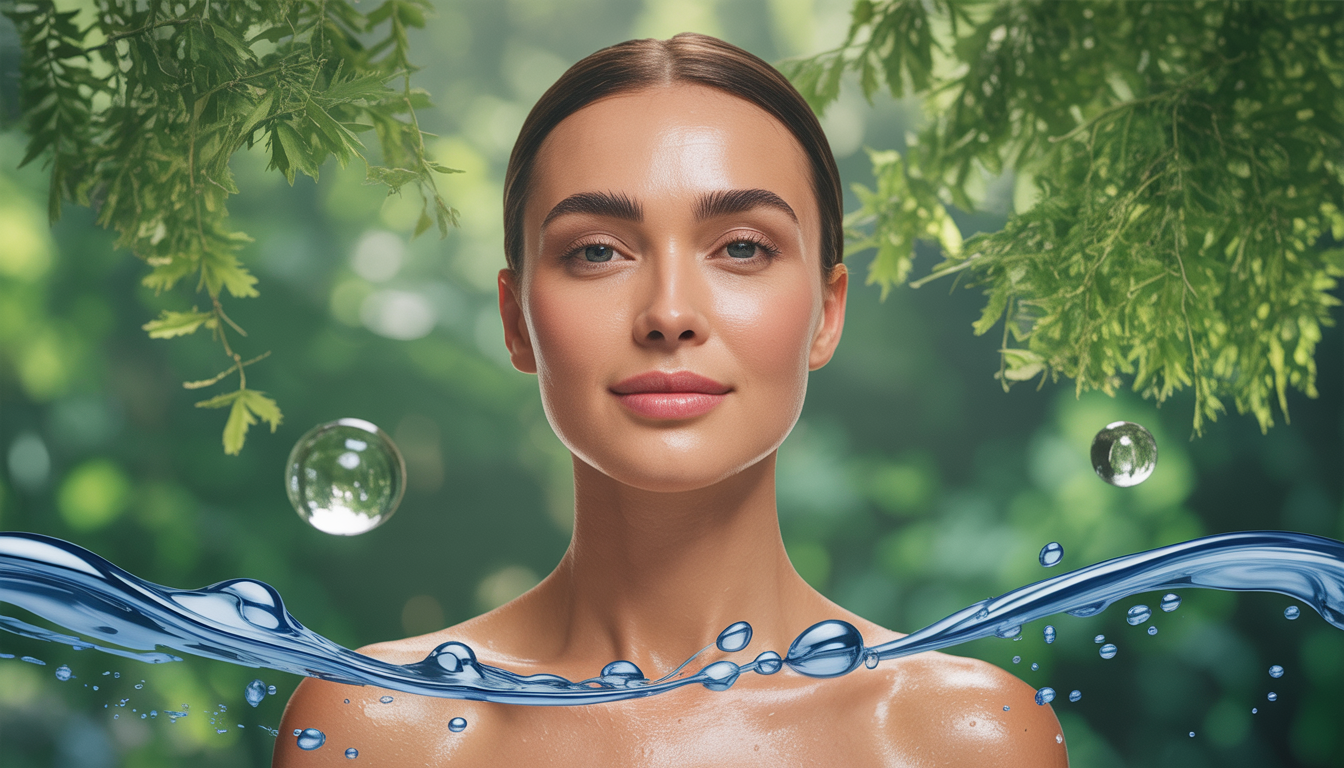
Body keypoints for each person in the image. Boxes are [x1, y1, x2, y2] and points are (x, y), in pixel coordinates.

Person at [275, 33, 1067, 767]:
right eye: (596, 252)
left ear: (826, 315)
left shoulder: (964, 738)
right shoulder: (378, 729)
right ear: (516, 321)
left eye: (743, 249)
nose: (669, 314)